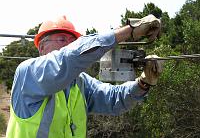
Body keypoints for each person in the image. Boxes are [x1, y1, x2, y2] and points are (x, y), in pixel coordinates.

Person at [6, 14, 163, 138]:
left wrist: (143, 82)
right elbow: (69, 57)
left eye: (73, 41)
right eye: (62, 39)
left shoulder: (80, 83)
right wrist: (129, 30)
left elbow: (114, 98)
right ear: (41, 47)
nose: (68, 45)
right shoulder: (28, 73)